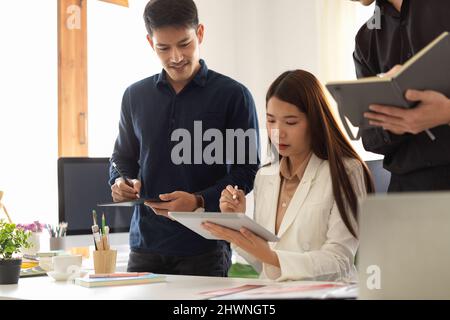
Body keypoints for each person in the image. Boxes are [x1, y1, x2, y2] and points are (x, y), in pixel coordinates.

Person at [109, 0, 260, 277]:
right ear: (149, 42)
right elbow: (121, 158)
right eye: (163, 48)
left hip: (205, 247)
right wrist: (120, 182)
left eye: (184, 43)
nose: (176, 57)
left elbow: (246, 171)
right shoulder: (134, 96)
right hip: (145, 246)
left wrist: (198, 200)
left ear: (199, 33)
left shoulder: (233, 96)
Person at [203, 70, 374, 281]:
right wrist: (236, 221)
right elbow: (265, 266)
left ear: (315, 121)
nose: (278, 132)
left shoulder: (346, 172)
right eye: (271, 121)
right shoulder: (265, 176)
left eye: (291, 122)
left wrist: (271, 256)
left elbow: (339, 261)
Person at [353, 0, 450, 191]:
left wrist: (446, 113)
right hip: (406, 191)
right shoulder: (365, 41)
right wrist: (395, 124)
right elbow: (369, 138)